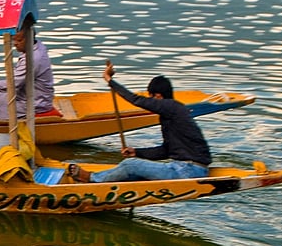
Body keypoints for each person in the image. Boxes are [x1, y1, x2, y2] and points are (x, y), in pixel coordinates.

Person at [68, 62, 211, 183]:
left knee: (130, 165)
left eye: (151, 98)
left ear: (158, 96)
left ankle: (91, 178)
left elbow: (136, 100)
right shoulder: (172, 115)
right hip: (189, 169)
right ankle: (103, 180)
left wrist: (109, 80)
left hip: (188, 171)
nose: (151, 103)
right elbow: (166, 151)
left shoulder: (172, 106)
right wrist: (137, 152)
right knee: (131, 169)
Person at [0, 26, 56, 120]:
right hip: (31, 96)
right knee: (0, 96)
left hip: (36, 103)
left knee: (0, 109)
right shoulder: (36, 46)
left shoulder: (33, 59)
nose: (15, 43)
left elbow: (13, 84)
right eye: (14, 40)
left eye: (19, 40)